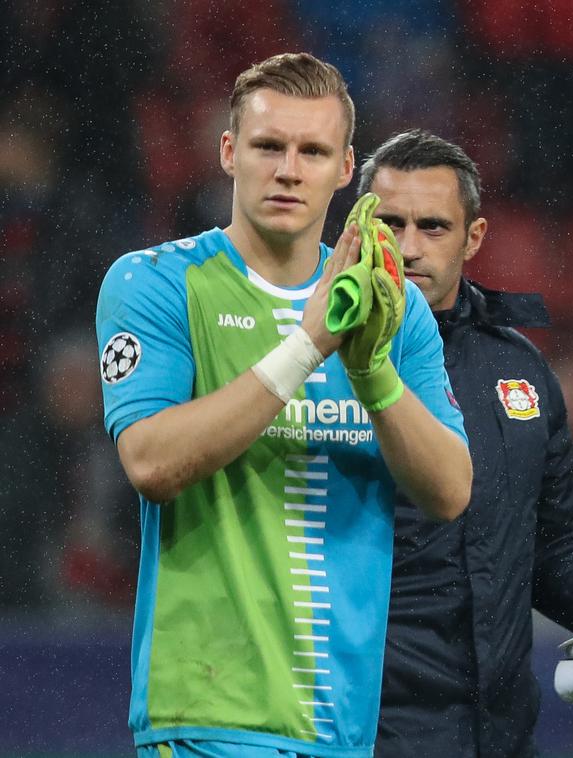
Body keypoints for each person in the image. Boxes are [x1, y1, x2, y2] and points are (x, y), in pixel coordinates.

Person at [95, 54, 471, 757]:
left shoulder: (395, 313)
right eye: (269, 146)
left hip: (341, 728)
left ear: (346, 167)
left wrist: (374, 373)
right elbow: (149, 461)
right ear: (230, 152)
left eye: (313, 151)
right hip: (206, 718)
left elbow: (450, 491)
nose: (290, 169)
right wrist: (309, 344)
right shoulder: (156, 284)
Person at [357, 129, 573, 757]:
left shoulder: (520, 368)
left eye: (433, 227)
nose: (408, 248)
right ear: (359, 231)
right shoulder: (325, 363)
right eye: (391, 225)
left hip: (502, 732)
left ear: (475, 237)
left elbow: (550, 545)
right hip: (366, 733)